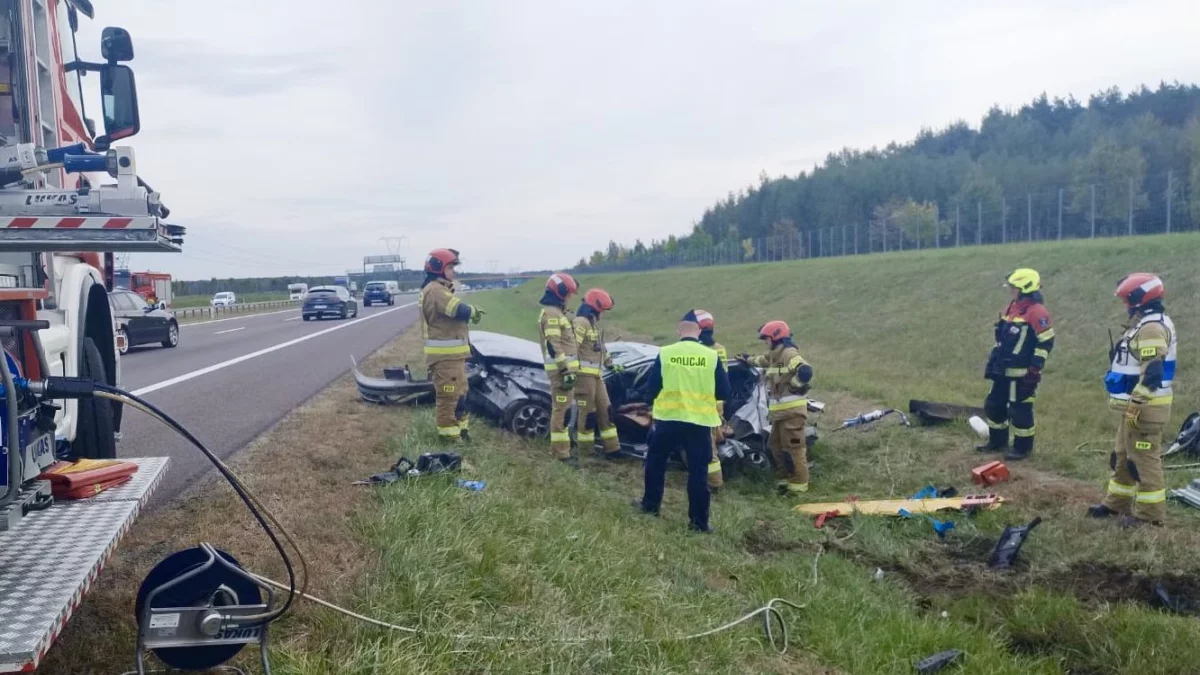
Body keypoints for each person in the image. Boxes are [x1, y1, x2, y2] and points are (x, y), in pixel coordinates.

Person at [1089, 273, 1176, 527]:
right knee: (1122, 457)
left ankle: (1150, 517)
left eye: (1127, 299)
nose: (1125, 304)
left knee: (1144, 462)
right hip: (1132, 409)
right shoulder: (1143, 323)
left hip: (1145, 409)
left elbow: (1153, 373)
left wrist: (1137, 404)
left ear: (1140, 299)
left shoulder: (1151, 327)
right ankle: (1116, 505)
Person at [634, 310, 731, 532]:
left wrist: (650, 403)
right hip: (699, 424)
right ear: (699, 332)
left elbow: (651, 389)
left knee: (656, 463)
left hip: (668, 421)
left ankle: (650, 506)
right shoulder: (711, 356)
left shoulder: (666, 353)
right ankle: (698, 523)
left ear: (679, 331)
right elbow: (724, 391)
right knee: (698, 473)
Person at [978, 268, 1055, 461]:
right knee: (994, 406)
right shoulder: (1012, 307)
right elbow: (1003, 337)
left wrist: (1035, 368)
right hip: (1002, 369)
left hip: (1022, 374)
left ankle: (1022, 448)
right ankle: (997, 442)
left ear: (1024, 288)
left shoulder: (1037, 312)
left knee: (1019, 411)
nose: (1010, 290)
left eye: (1013, 287)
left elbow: (1045, 342)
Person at [419, 248, 484, 442]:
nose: (453, 271)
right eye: (450, 267)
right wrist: (474, 311)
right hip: (445, 358)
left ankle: (461, 432)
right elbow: (458, 309)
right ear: (439, 268)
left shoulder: (439, 289)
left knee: (460, 394)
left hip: (453, 357)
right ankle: (449, 440)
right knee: (449, 398)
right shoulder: (436, 290)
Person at [743, 320, 814, 495]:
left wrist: (795, 385)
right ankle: (785, 478)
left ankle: (799, 486)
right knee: (775, 445)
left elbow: (805, 371)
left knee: (793, 448)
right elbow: (762, 360)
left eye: (767, 339)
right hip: (780, 414)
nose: (765, 342)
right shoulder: (774, 355)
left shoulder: (788, 353)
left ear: (776, 337)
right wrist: (747, 360)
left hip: (792, 413)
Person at [572, 288, 622, 459]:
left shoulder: (592, 325)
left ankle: (613, 449)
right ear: (595, 307)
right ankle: (586, 452)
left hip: (596, 376)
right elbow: (572, 349)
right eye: (602, 310)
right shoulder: (581, 323)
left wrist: (611, 364)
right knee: (588, 413)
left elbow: (601, 350)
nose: (603, 314)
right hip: (583, 377)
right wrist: (570, 372)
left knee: (606, 410)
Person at [537, 272, 580, 466]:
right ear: (560, 292)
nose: (570, 297)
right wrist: (565, 371)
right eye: (568, 293)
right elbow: (554, 345)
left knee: (565, 410)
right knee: (561, 411)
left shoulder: (557, 312)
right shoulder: (552, 314)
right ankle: (560, 454)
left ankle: (564, 449)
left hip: (565, 373)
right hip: (561, 374)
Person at [696, 310, 727, 492]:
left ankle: (714, 483)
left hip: (702, 402)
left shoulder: (698, 350)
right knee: (712, 439)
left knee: (708, 446)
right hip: (717, 402)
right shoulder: (719, 349)